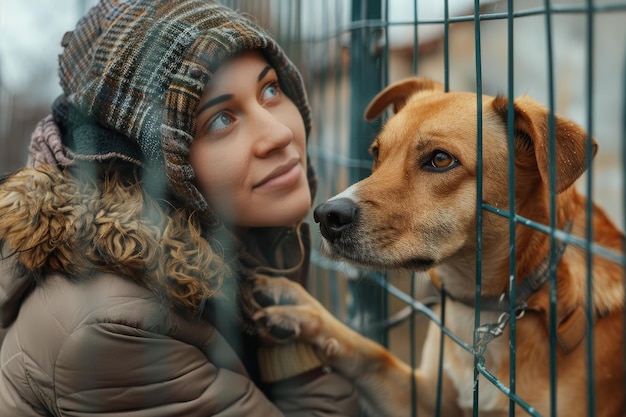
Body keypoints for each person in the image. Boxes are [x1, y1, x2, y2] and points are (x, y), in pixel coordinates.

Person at [0, 0, 358, 415]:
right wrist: (302, 347)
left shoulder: (226, 246)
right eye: (221, 119)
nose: (278, 133)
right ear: (149, 166)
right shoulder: (114, 325)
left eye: (271, 89)